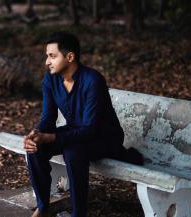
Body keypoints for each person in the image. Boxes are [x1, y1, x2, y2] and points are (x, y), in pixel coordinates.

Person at [23, 32, 142, 217]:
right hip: (77, 132)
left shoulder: (93, 80)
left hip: (104, 136)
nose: (47, 62)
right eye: (47, 56)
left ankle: (78, 214)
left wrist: (52, 137)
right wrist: (36, 134)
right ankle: (44, 207)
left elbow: (90, 129)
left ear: (70, 57)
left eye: (52, 56)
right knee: (35, 148)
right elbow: (48, 118)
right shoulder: (50, 80)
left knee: (73, 151)